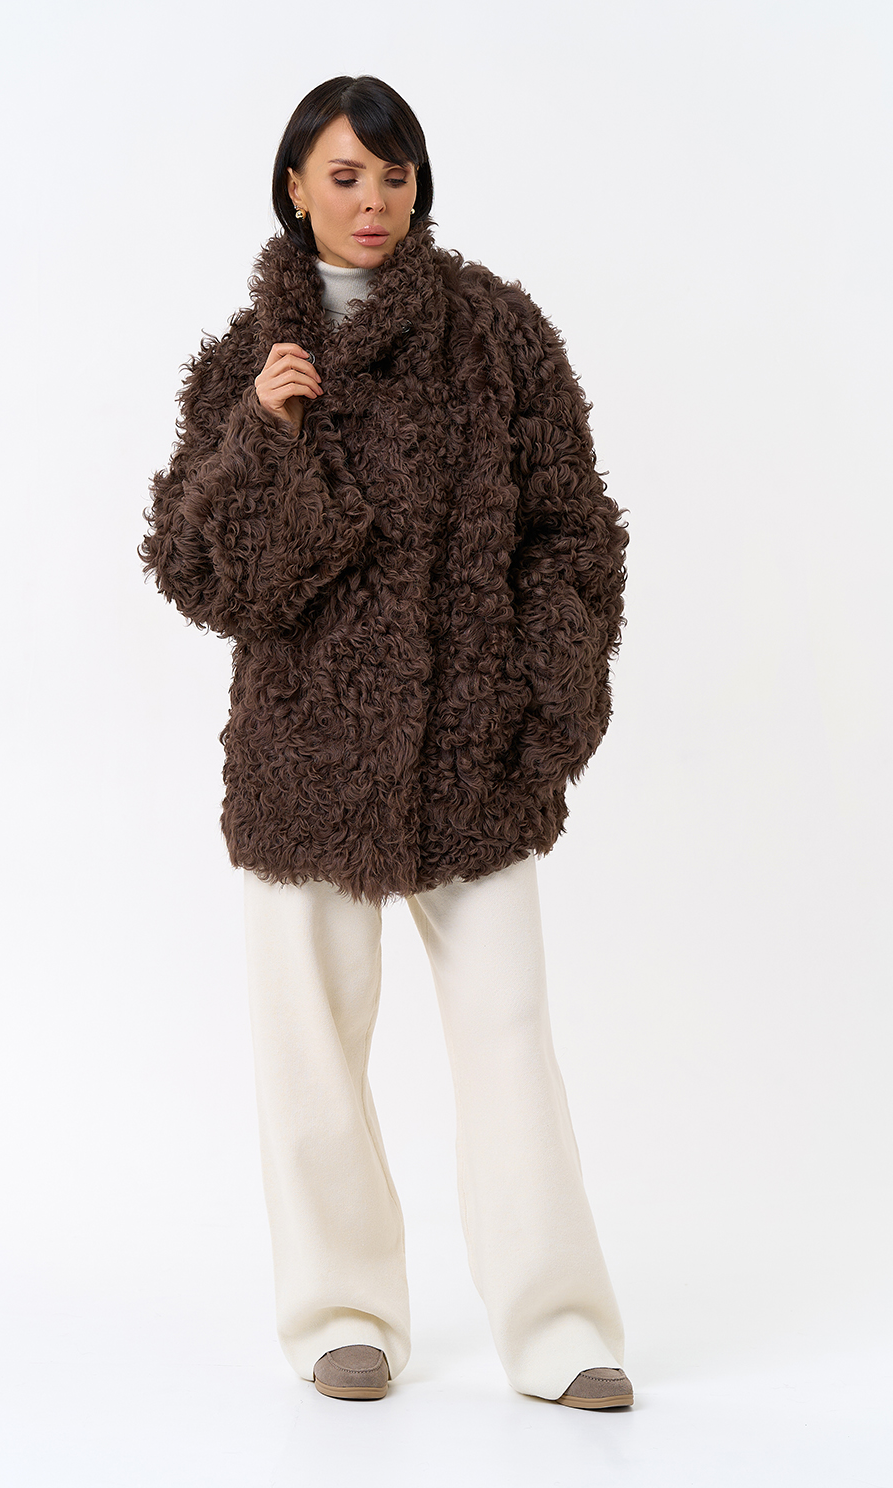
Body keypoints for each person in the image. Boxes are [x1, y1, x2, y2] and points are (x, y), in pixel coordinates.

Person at [139, 75, 632, 1410]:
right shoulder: (245, 363)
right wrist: (265, 435)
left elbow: (575, 527)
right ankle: (341, 1315)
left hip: (478, 752)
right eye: (346, 175)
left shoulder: (497, 333)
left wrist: (547, 698)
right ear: (295, 188)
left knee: (510, 1036)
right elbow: (201, 575)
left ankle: (559, 1326)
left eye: (394, 174)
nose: (373, 201)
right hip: (306, 756)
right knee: (309, 1046)